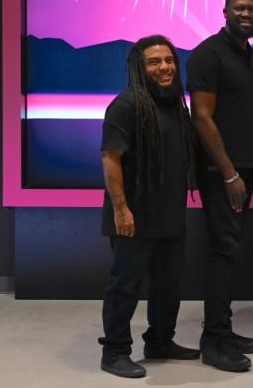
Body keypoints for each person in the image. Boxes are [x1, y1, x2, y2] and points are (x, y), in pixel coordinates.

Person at [98, 35, 198, 378]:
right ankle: (114, 352)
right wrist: (121, 209)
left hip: (169, 214)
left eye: (169, 60)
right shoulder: (125, 105)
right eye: (154, 62)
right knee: (125, 285)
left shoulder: (174, 105)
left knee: (168, 284)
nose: (164, 67)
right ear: (139, 68)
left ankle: (159, 341)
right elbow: (111, 158)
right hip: (134, 218)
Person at [187, 0, 253, 372]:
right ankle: (214, 340)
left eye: (251, 7)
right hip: (222, 172)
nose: (246, 13)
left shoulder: (250, 55)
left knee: (230, 250)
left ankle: (223, 329)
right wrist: (230, 173)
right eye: (239, 7)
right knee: (222, 251)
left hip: (242, 168)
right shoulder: (208, 54)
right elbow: (202, 117)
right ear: (225, 12)